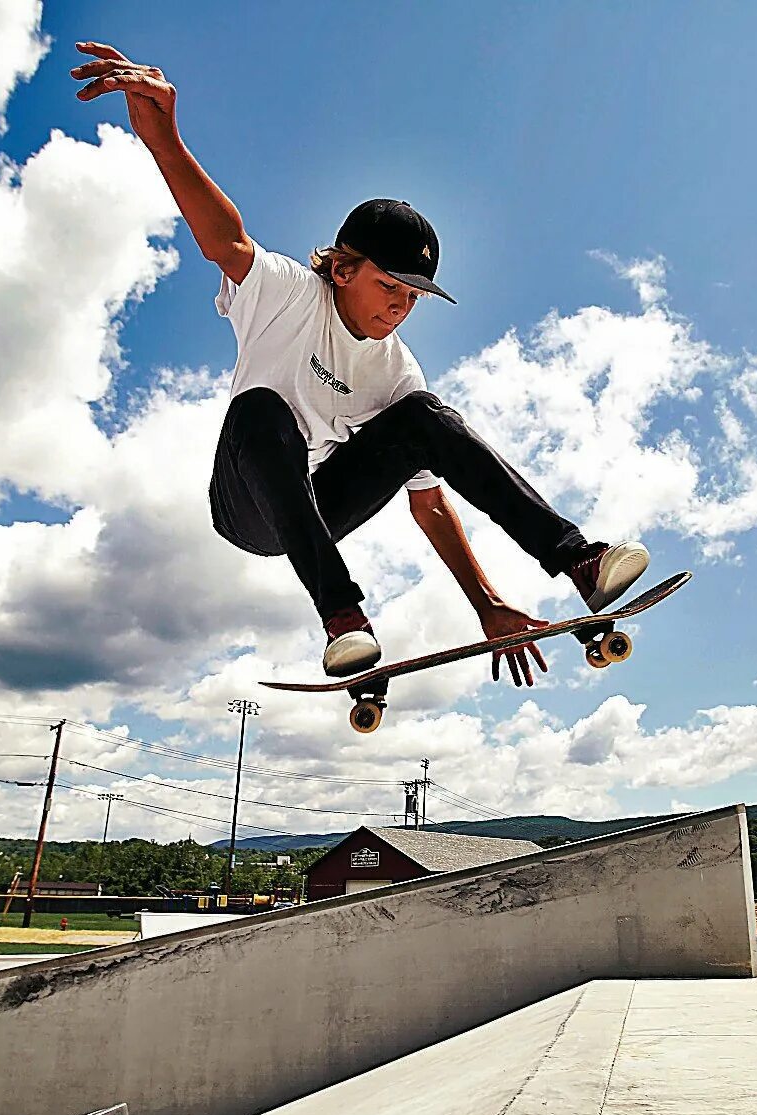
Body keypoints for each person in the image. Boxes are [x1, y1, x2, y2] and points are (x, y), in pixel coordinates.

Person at [72, 42, 651, 682]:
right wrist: (163, 139)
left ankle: (578, 562)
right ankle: (342, 618)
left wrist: (486, 605)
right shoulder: (286, 294)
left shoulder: (397, 372)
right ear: (343, 268)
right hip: (247, 505)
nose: (399, 308)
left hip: (320, 507)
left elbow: (430, 506)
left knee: (425, 417)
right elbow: (225, 238)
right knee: (262, 410)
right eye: (389, 286)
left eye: (413, 297)